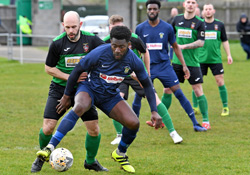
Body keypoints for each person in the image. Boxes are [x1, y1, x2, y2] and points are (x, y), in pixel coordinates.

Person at [36, 25, 163, 173]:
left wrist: (154, 111)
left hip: (110, 96)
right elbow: (77, 71)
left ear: (128, 45)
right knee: (79, 107)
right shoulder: (99, 53)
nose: (116, 50)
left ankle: (120, 153)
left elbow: (147, 84)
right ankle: (49, 147)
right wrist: (66, 96)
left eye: (121, 47)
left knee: (134, 123)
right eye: (114, 45)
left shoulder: (133, 60)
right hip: (89, 89)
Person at [31, 11, 107, 173]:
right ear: (63, 26)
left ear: (80, 25)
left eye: (74, 27)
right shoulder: (57, 43)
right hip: (59, 89)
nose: (71, 31)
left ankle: (91, 161)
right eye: (67, 27)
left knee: (94, 129)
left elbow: (107, 53)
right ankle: (41, 158)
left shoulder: (91, 40)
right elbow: (48, 68)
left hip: (84, 90)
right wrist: (71, 77)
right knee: (48, 128)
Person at [104, 14, 183, 145]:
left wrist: (147, 72)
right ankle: (119, 135)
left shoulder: (134, 39)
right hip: (120, 77)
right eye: (113, 28)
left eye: (118, 28)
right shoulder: (107, 41)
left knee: (155, 99)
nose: (116, 32)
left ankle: (173, 132)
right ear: (109, 28)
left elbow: (145, 52)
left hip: (136, 74)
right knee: (116, 99)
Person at [135, 0, 206, 132]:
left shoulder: (167, 27)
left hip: (164, 67)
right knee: (139, 95)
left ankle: (195, 123)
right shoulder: (140, 28)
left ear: (158, 11)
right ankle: (132, 125)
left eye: (154, 9)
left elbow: (175, 47)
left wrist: (184, 65)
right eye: (149, 9)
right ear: (147, 10)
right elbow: (135, 50)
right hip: (147, 67)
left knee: (178, 93)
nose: (152, 11)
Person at [170, 0, 211, 129]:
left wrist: (184, 46)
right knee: (167, 89)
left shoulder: (200, 23)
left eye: (193, 2)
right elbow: (168, 36)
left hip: (193, 63)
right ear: (184, 5)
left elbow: (201, 42)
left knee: (198, 90)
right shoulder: (176, 20)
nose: (190, 4)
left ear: (196, 6)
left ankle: (206, 120)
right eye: (188, 2)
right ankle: (158, 118)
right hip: (176, 62)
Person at [192, 4, 233, 118]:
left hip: (215, 59)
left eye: (210, 9)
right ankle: (195, 107)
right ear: (203, 11)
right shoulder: (199, 24)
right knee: (196, 83)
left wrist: (229, 55)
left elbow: (224, 40)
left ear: (214, 11)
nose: (208, 11)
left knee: (220, 82)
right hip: (200, 59)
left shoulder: (219, 24)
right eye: (206, 9)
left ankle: (225, 106)